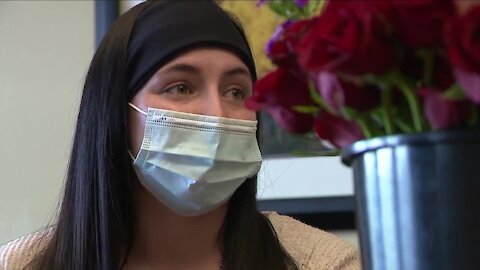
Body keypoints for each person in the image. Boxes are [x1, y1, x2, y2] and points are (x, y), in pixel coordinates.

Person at [0, 1, 360, 269]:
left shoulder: (323, 263)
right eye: (181, 87)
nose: (217, 115)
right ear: (115, 113)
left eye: (236, 91)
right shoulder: (21, 265)